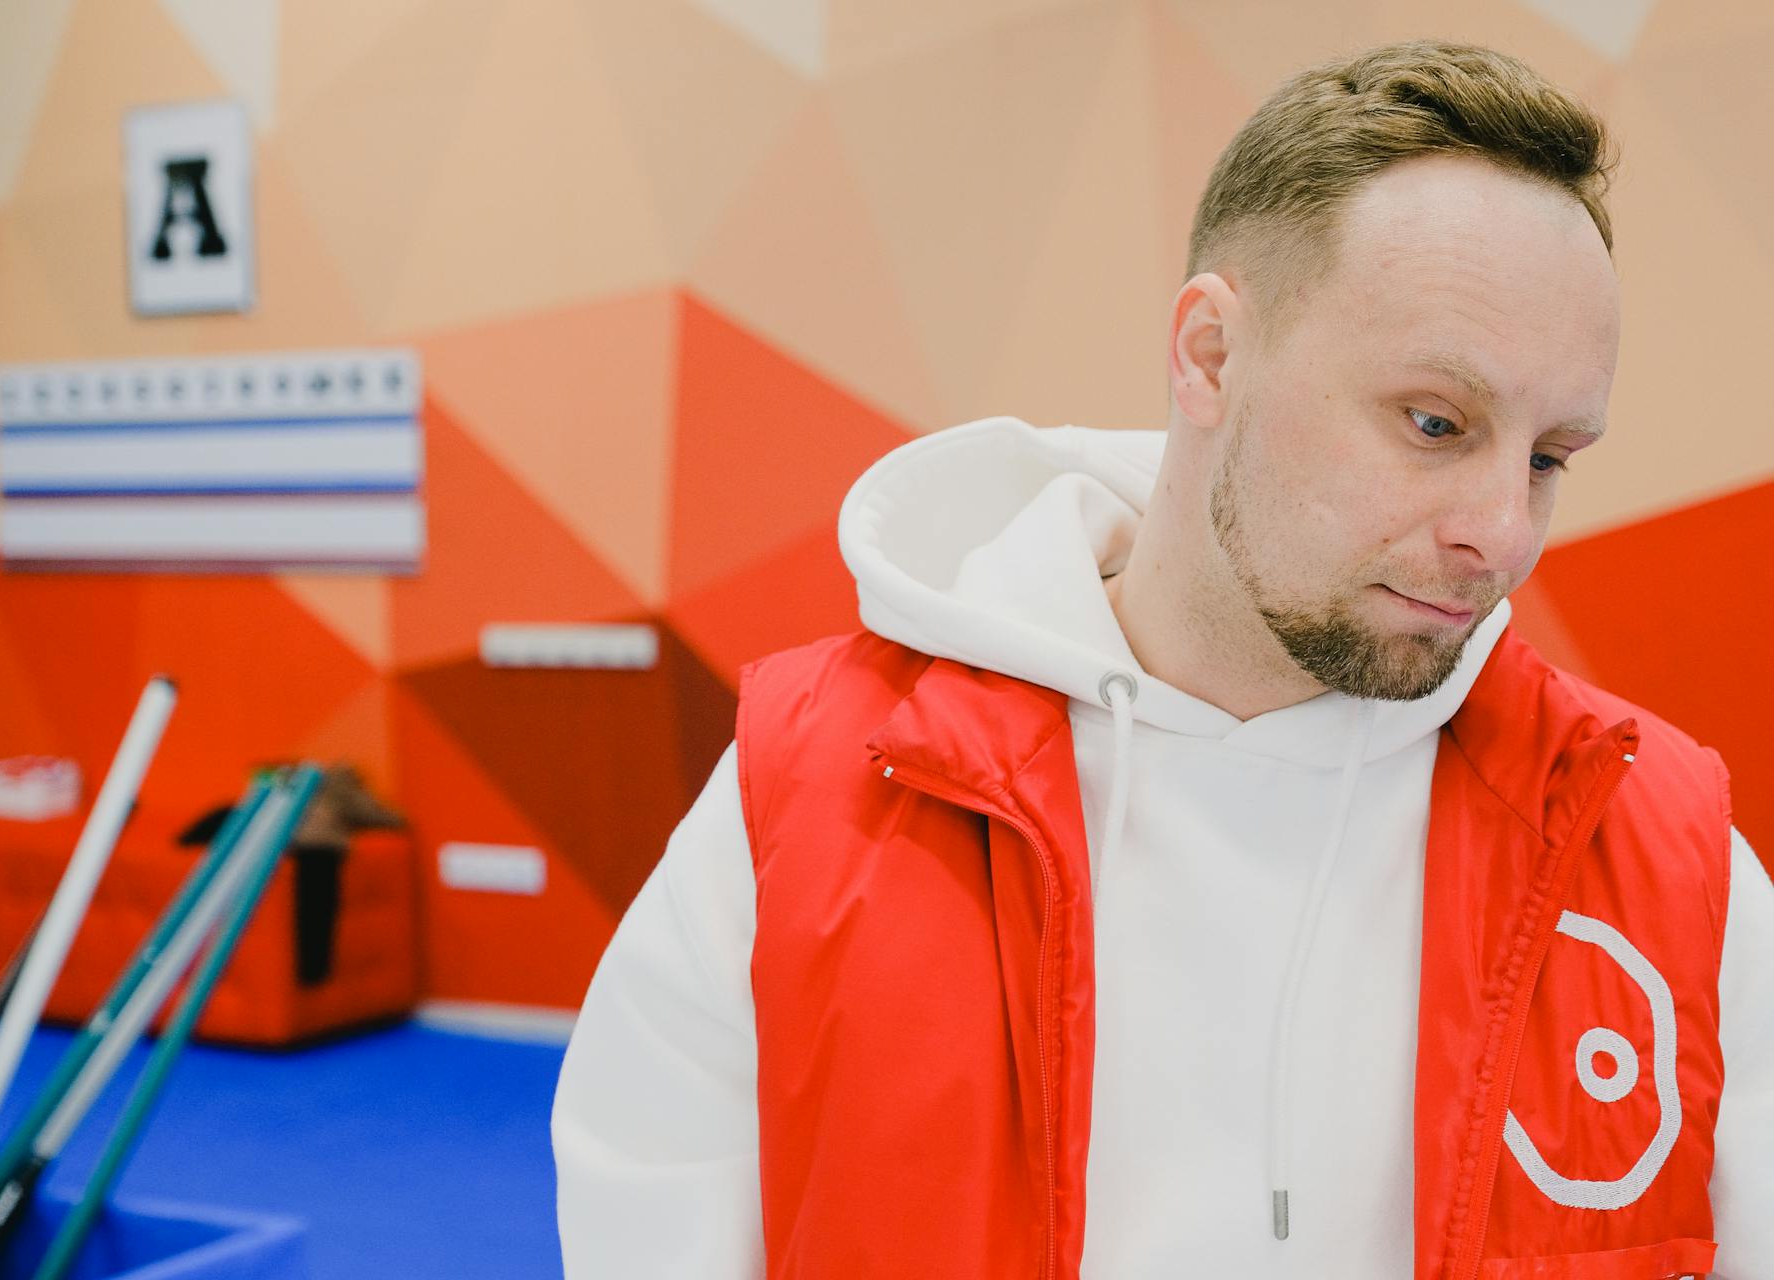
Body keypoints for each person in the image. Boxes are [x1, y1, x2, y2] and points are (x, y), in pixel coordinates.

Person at [551, 38, 1774, 1279]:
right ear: (1211, 356)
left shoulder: (1662, 851)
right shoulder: (806, 789)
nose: (1504, 528)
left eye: (1550, 455)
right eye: (1435, 423)